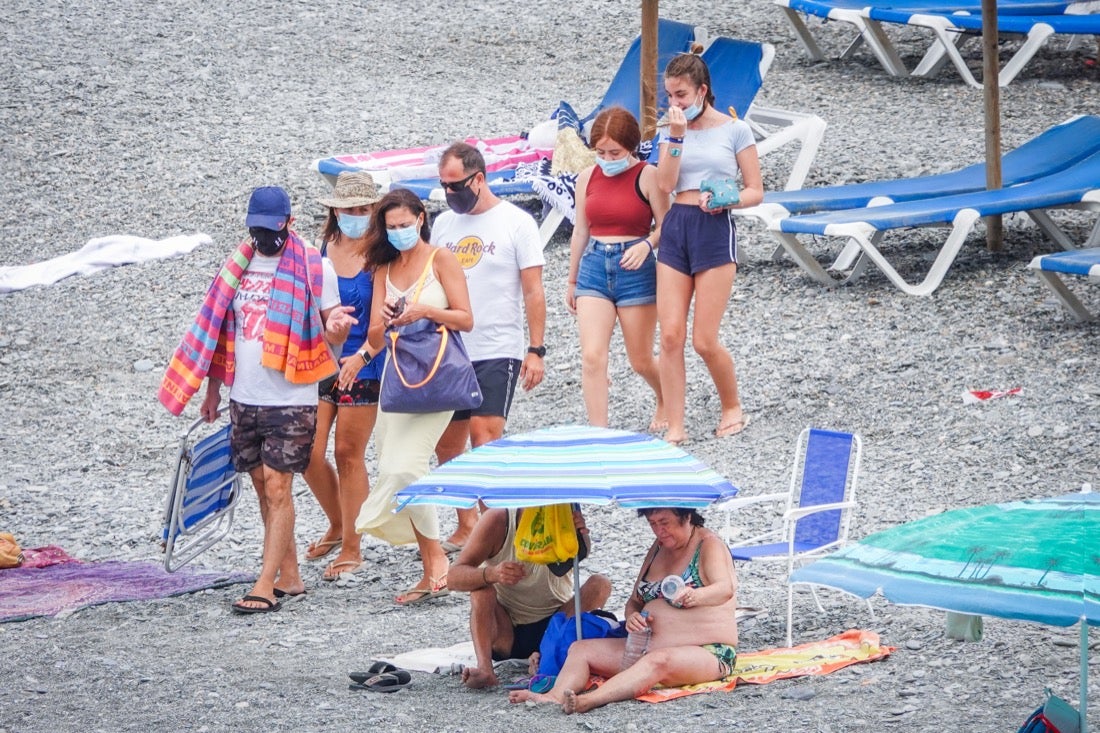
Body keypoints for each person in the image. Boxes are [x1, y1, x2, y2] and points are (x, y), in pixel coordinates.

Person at [164, 185, 357, 613]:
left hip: (291, 394)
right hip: (244, 395)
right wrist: (213, 390)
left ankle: (265, 584)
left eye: (271, 229)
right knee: (260, 486)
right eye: (257, 230)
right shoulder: (238, 266)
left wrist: (338, 328)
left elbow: (329, 324)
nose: (264, 238)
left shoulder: (313, 266)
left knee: (278, 486)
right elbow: (220, 330)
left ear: (288, 223)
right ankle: (289, 575)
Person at [338, 189, 473, 605]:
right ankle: (430, 562)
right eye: (391, 227)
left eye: (404, 225)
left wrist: (425, 311)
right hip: (398, 379)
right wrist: (362, 354)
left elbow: (466, 318)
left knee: (405, 468)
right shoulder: (384, 269)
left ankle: (435, 560)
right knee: (397, 469)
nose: (397, 233)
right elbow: (378, 336)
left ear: (420, 219)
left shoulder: (441, 259)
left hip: (435, 378)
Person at [430, 142, 547, 550]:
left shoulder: (517, 222)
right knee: (448, 443)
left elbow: (533, 291)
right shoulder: (443, 225)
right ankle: (467, 524)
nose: (450, 193)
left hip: (498, 344)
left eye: (456, 184)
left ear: (479, 178)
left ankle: (495, 530)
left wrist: (536, 348)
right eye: (443, 185)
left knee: (486, 435)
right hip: (452, 346)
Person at [508, 507, 738, 713]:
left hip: (706, 651)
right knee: (580, 649)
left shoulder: (708, 544)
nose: (659, 530)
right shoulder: (658, 548)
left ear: (687, 516)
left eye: (664, 522)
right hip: (643, 644)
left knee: (658, 660)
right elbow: (634, 600)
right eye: (652, 523)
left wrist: (696, 595)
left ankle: (590, 700)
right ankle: (555, 696)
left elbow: (725, 588)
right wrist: (632, 617)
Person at [654, 49, 764, 445]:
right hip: (677, 224)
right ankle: (676, 424)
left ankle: (732, 405)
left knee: (703, 338)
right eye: (669, 95)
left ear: (702, 90)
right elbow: (665, 185)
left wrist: (725, 200)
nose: (675, 104)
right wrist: (677, 137)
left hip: (715, 225)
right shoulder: (671, 130)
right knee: (669, 335)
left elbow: (756, 190)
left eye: (681, 95)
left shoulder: (736, 130)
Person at [565, 106, 669, 430]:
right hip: (595, 264)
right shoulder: (586, 178)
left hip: (635, 266)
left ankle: (666, 398)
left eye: (615, 152)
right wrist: (571, 280)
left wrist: (647, 244)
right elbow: (580, 230)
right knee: (593, 356)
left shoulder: (648, 175)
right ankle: (599, 431)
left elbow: (667, 225)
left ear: (631, 148)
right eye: (600, 152)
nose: (607, 159)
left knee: (639, 359)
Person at [301, 172, 384, 581]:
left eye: (363, 209)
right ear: (335, 209)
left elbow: (385, 318)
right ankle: (338, 523)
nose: (356, 215)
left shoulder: (380, 253)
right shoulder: (322, 248)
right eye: (349, 208)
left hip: (365, 363)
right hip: (323, 360)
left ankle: (352, 544)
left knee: (349, 454)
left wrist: (362, 354)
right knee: (307, 453)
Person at [449, 507, 612, 690]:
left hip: (555, 626)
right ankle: (485, 669)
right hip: (507, 630)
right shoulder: (498, 519)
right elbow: (453, 577)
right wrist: (491, 574)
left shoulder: (563, 514)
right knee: (481, 592)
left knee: (600, 584)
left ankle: (548, 656)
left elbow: (577, 557)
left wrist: (581, 534)